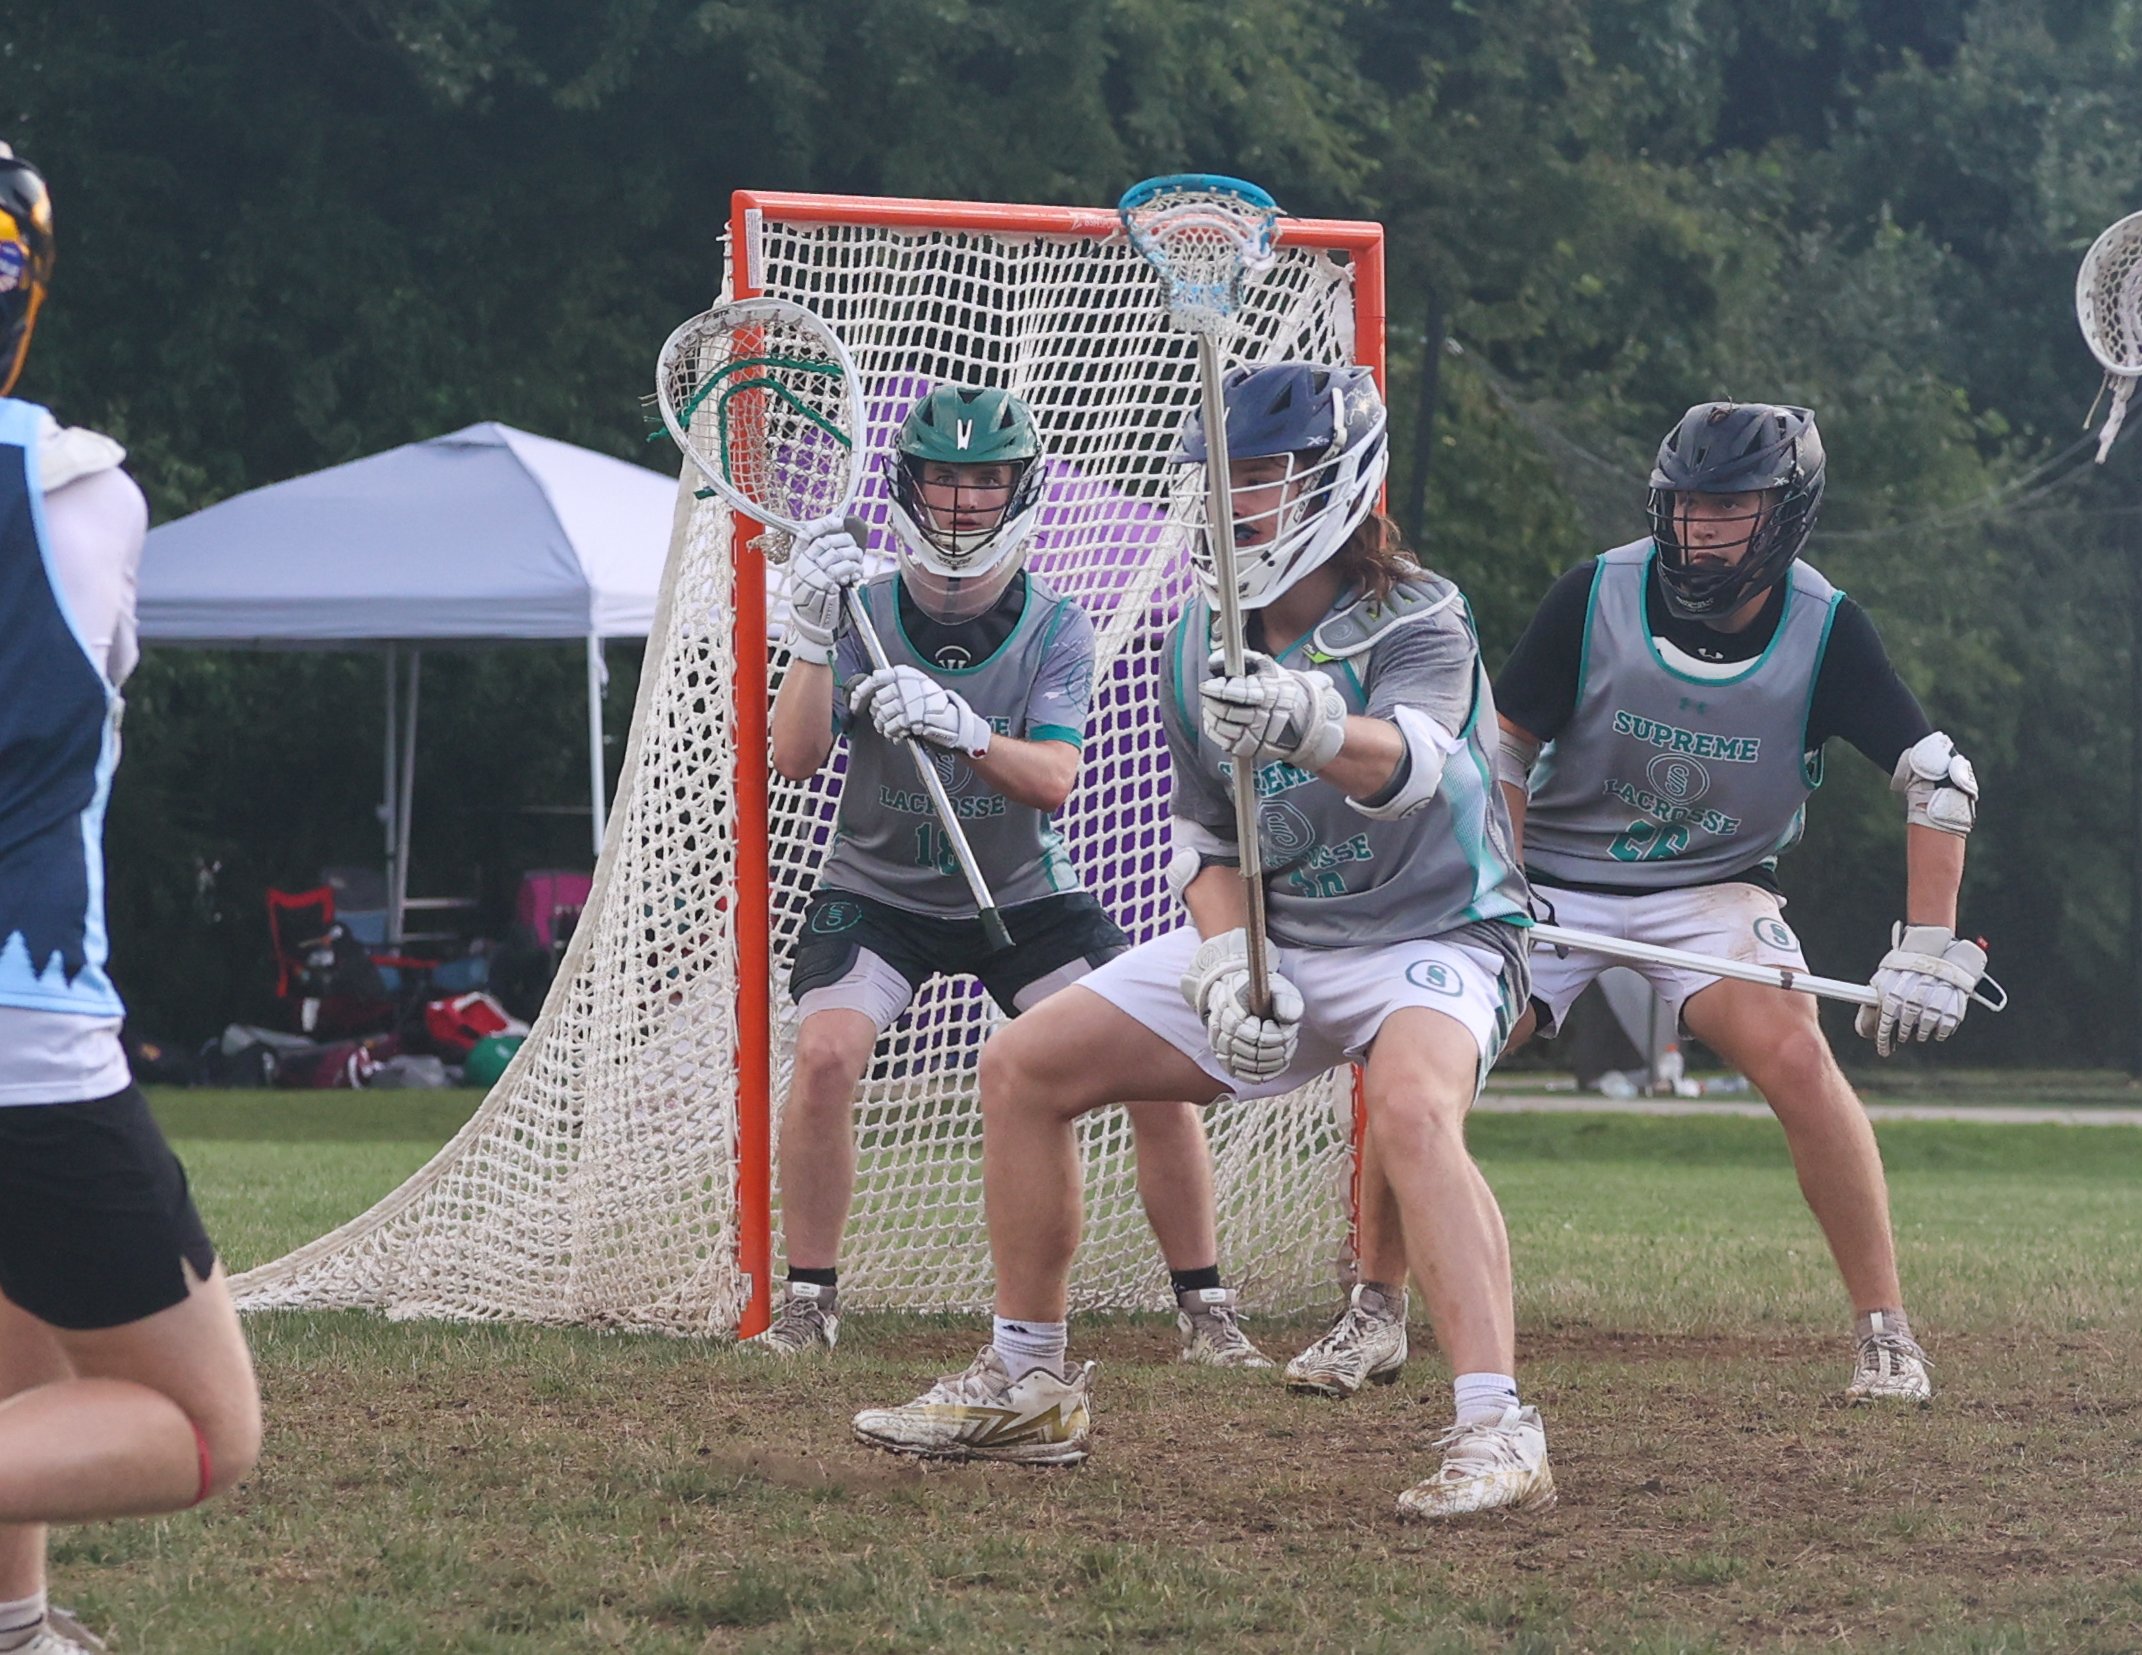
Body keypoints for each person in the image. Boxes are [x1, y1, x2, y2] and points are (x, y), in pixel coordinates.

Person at [853, 362, 1554, 1518]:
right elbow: (1203, 834)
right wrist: (1227, 956)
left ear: (1335, 480)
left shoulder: (1419, 612)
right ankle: (1027, 1379)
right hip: (1280, 934)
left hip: (1438, 930)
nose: (1237, 502)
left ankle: (1494, 1426)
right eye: (1222, 477)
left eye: (1267, 476)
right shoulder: (1196, 633)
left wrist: (1313, 718)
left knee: (1417, 1109)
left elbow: (1420, 766)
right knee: (1023, 1064)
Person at [1293, 401, 1987, 1405]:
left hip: (1707, 886)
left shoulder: (1825, 626)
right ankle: (1373, 1310)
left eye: (1727, 508)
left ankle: (1884, 1330)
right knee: (1417, 1051)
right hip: (1549, 881)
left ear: (1784, 514)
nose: (1698, 529)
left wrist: (1927, 941)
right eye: (1686, 506)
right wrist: (1496, 885)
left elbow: (1938, 777)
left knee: (1796, 1054)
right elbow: (1504, 748)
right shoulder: (1596, 593)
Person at [760, 384, 1269, 1369]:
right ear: (909, 486)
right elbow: (793, 756)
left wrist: (961, 726)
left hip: (1023, 891)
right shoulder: (857, 608)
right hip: (877, 889)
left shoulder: (1057, 626)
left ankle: (1205, 1307)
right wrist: (814, 638)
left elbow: (1053, 778)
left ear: (1016, 488)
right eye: (943, 480)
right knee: (824, 1055)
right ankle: (807, 1302)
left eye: (983, 480)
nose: (960, 503)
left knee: (1151, 1067)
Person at [0, 143, 263, 1655]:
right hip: (25, 1034)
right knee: (203, 1422)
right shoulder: (89, 493)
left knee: (19, 1325)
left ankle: (15, 1618)